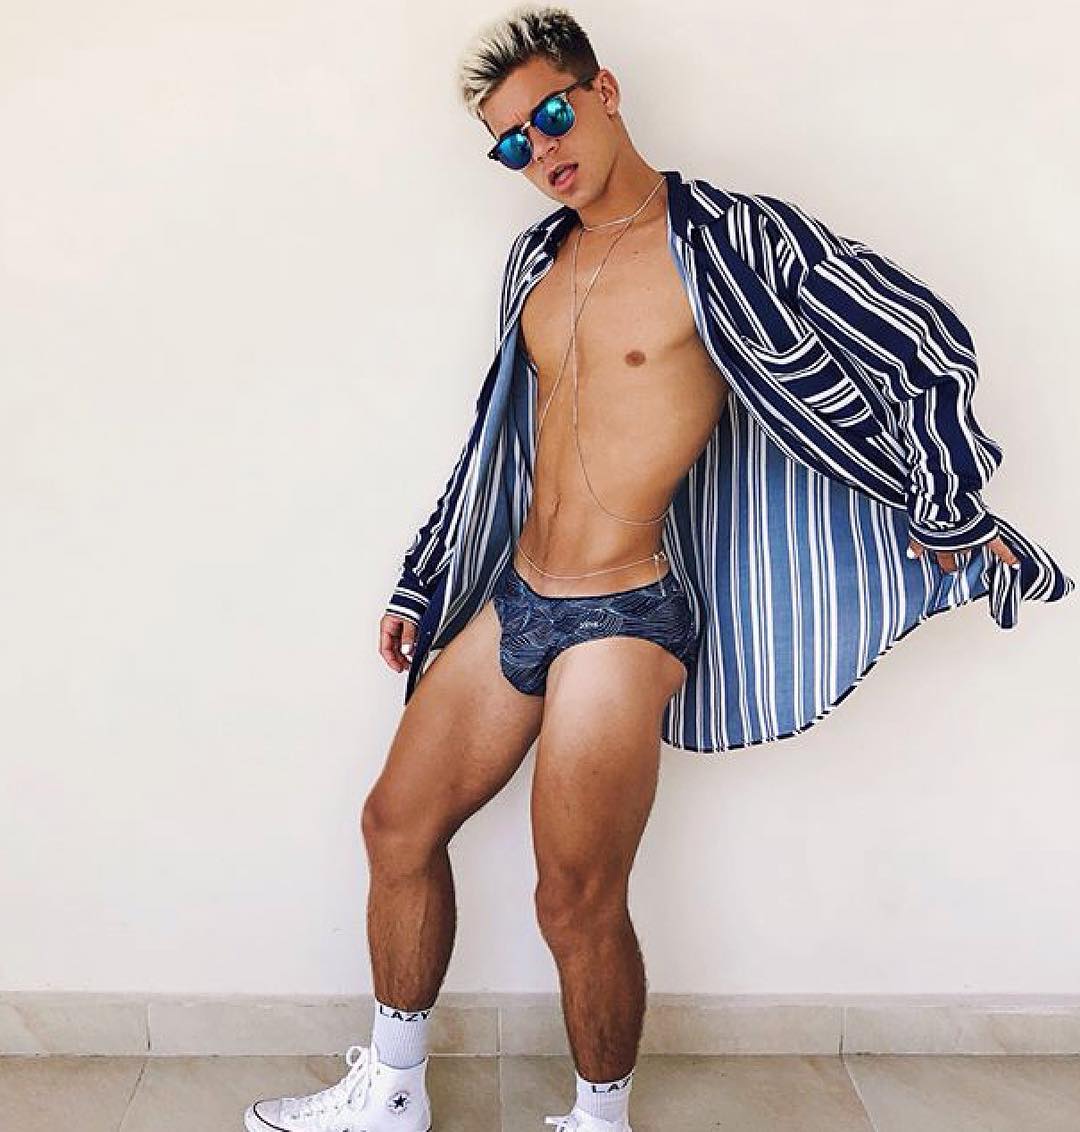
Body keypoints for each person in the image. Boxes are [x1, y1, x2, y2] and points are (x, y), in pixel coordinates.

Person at [245, 6, 1073, 1131]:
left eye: (550, 114)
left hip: (625, 612)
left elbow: (918, 340)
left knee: (573, 896)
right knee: (395, 826)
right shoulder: (535, 262)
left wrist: (941, 496)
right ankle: (390, 1094)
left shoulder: (730, 240)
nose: (540, 150)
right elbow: (502, 443)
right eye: (510, 142)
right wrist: (425, 579)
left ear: (604, 90)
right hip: (518, 595)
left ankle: (599, 1120)